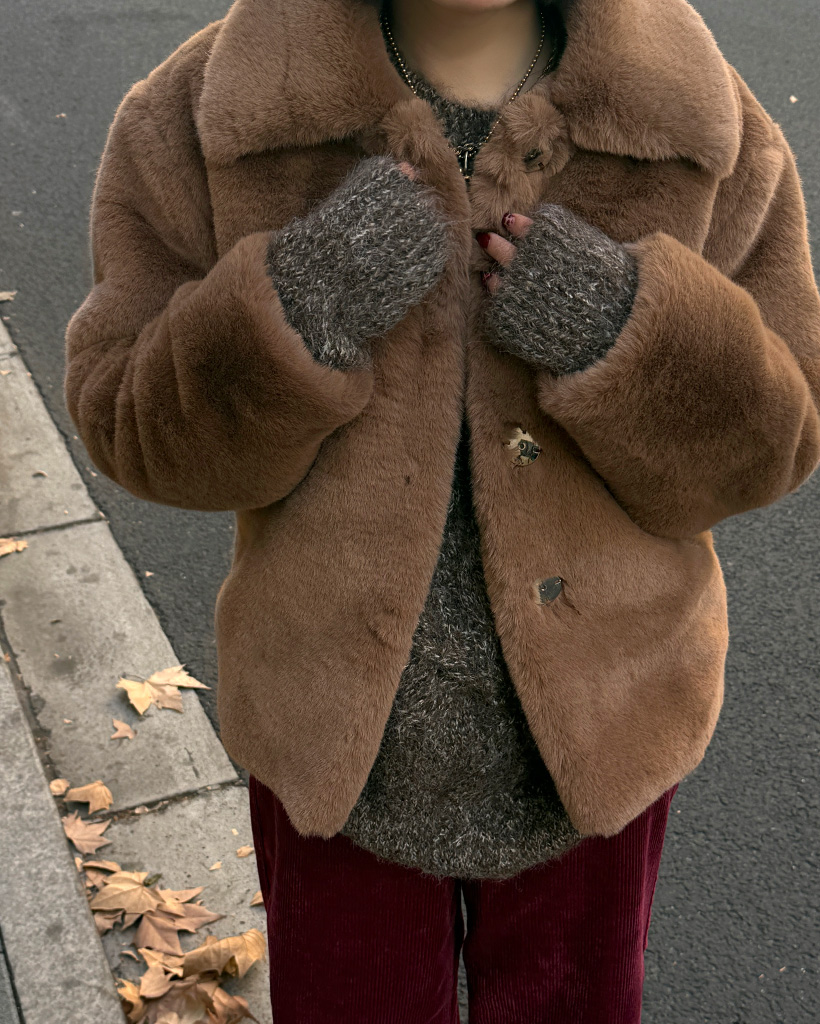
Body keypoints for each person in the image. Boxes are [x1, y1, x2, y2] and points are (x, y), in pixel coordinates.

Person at [64, 0, 820, 1020]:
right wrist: (296, 306)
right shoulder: (208, 114)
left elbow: (780, 437)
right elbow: (127, 421)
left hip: (605, 743)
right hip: (329, 753)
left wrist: (625, 332)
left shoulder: (693, 120)